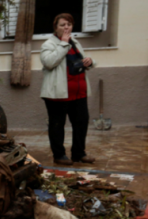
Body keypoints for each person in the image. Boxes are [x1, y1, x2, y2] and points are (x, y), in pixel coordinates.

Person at [40, 13, 96, 165]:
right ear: (55, 27)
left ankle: (79, 153)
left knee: (81, 123)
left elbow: (81, 61)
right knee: (57, 125)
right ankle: (59, 155)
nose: (66, 27)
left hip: (79, 93)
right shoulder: (48, 44)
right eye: (62, 25)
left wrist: (90, 61)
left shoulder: (75, 42)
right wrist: (64, 44)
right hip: (57, 94)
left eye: (69, 25)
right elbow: (50, 62)